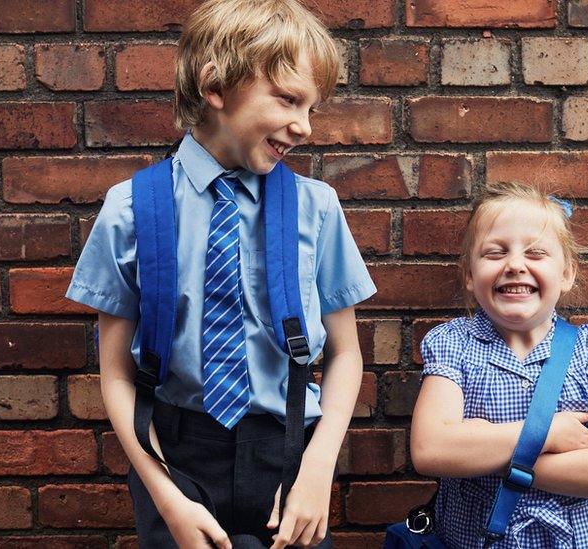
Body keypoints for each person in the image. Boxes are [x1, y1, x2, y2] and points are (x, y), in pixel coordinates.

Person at [65, 1, 376, 547]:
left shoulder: (316, 208)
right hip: (176, 457)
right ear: (217, 86)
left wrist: (317, 468)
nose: (304, 126)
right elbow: (115, 375)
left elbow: (346, 353)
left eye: (312, 108)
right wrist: (167, 497)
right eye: (288, 99)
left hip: (290, 455)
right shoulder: (130, 210)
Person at [409, 182, 588, 548]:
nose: (515, 264)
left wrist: (489, 452)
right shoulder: (453, 344)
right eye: (495, 252)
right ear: (470, 274)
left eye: (535, 253)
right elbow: (430, 449)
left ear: (566, 274)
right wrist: (548, 435)